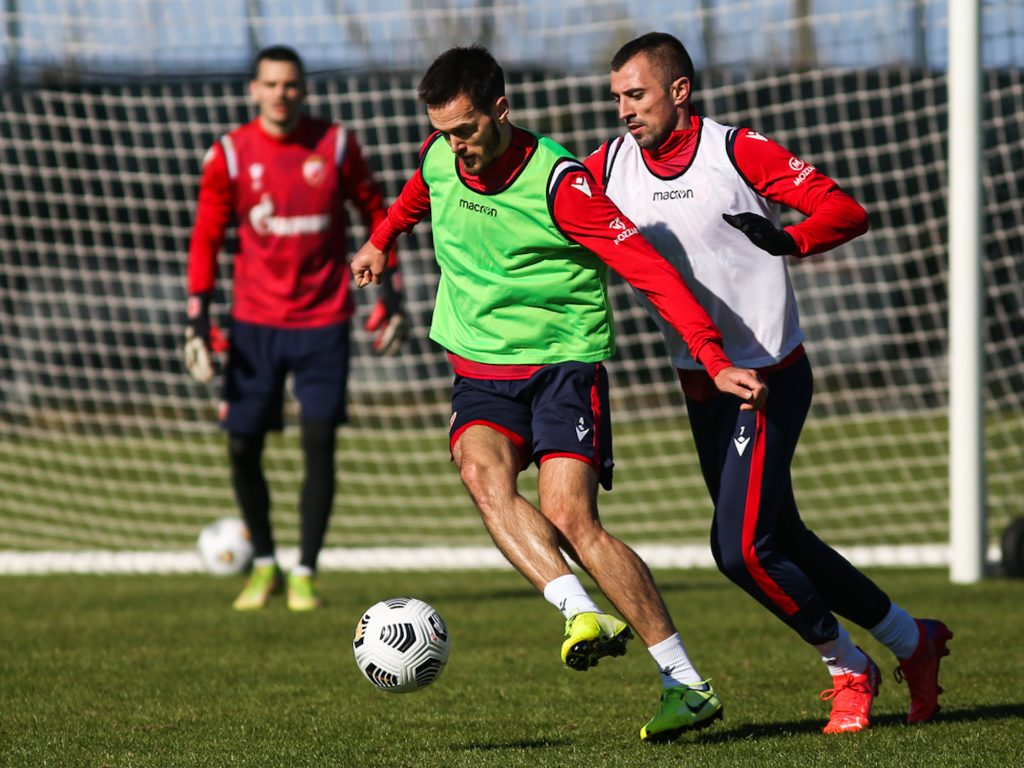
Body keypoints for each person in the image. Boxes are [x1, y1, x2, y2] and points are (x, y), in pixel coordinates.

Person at [351, 44, 768, 743]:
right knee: (481, 475)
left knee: (571, 516)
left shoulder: (561, 184)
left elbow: (650, 271)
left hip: (562, 367)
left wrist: (713, 357)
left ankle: (685, 683)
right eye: (443, 132)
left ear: (501, 110)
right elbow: (416, 197)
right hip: (481, 370)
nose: (456, 146)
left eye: (466, 130)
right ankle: (580, 612)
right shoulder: (439, 155)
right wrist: (380, 241)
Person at [585, 31, 952, 734]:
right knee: (782, 538)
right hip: (700, 384)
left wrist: (792, 239)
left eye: (636, 95)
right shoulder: (608, 166)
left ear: (679, 91)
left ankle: (849, 667)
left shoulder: (736, 150)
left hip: (768, 377)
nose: (624, 110)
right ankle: (914, 640)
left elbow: (846, 210)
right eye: (617, 98)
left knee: (742, 550)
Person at [183, 45, 405, 612]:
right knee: (241, 445)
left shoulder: (336, 145)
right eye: (271, 84)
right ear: (254, 90)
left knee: (319, 441)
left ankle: (304, 571)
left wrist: (391, 294)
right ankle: (264, 565)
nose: (281, 94)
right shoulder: (230, 154)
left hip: (323, 320)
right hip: (253, 324)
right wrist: (198, 317)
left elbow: (376, 212)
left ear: (303, 89)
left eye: (290, 84)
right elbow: (206, 236)